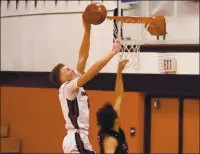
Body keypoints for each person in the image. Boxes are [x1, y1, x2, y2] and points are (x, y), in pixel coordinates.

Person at [49, 15, 121, 154]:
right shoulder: (68, 87)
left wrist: (87, 30)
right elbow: (92, 72)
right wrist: (112, 52)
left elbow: (83, 56)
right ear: (63, 78)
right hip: (77, 138)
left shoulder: (70, 85)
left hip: (77, 138)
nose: (71, 69)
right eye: (67, 70)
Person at [97, 60, 129, 154]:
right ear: (114, 120)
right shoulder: (110, 140)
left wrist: (119, 72)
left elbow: (119, 95)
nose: (118, 113)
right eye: (116, 115)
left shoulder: (114, 127)